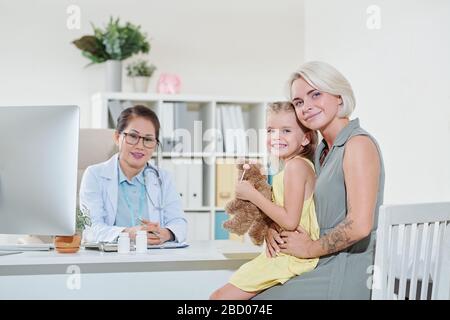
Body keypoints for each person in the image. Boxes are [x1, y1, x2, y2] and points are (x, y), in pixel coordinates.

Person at [254, 61, 385, 300]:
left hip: (345, 269)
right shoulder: (320, 151)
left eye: (316, 94)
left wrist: (308, 248)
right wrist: (273, 228)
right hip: (313, 262)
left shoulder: (357, 144)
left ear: (339, 96)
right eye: (299, 102)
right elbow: (301, 209)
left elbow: (360, 225)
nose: (306, 107)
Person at [210, 101, 319, 300]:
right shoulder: (291, 167)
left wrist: (253, 195)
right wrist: (269, 227)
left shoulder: (295, 167)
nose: (276, 137)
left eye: (286, 130)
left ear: (305, 138)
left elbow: (289, 221)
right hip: (284, 252)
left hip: (291, 256)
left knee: (218, 298)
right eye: (270, 130)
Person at [79, 105, 187, 244]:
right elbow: (91, 229)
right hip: (110, 259)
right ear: (117, 137)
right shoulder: (94, 175)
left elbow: (179, 223)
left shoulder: (163, 178)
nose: (140, 146)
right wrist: (129, 234)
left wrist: (165, 234)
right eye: (133, 136)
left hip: (154, 258)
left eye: (148, 139)